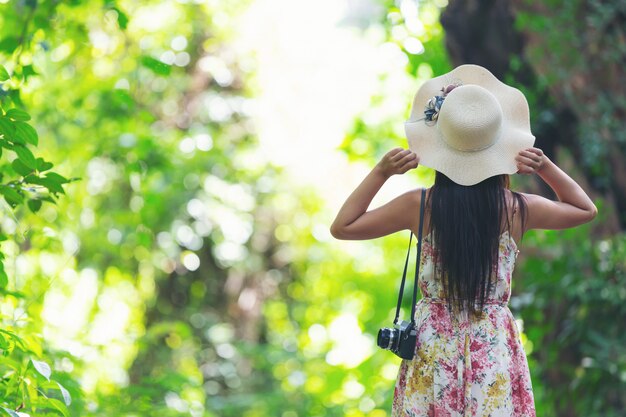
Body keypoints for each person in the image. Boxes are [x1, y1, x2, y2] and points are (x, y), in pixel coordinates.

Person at [330, 64, 597, 417]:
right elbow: (584, 209)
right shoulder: (517, 209)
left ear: (442, 146)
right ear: (499, 147)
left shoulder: (419, 205)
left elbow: (344, 226)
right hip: (493, 349)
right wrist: (545, 167)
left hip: (432, 351)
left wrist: (381, 172)